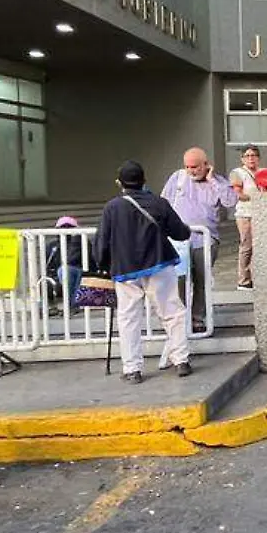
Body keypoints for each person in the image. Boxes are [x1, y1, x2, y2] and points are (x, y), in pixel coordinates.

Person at [95, 160, 195, 384]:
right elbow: (180, 233)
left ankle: (132, 369)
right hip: (159, 262)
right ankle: (181, 360)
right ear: (144, 181)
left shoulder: (112, 207)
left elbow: (102, 241)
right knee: (171, 311)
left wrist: (102, 264)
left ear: (119, 183)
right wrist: (186, 230)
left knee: (129, 318)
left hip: (126, 269)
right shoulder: (159, 203)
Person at [161, 147, 238, 333]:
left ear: (206, 164)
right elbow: (164, 202)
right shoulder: (178, 177)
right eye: (187, 166)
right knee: (179, 279)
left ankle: (197, 318)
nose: (191, 171)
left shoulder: (218, 181)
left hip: (205, 239)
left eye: (195, 166)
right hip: (179, 241)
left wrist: (212, 180)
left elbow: (230, 201)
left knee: (201, 280)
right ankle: (180, 318)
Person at [228, 145, 262, 290]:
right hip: (245, 214)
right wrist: (256, 197)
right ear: (242, 158)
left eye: (253, 155)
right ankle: (243, 280)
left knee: (259, 247)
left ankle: (257, 277)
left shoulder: (262, 172)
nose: (251, 158)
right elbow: (238, 194)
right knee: (247, 246)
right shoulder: (238, 173)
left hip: (261, 213)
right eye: (247, 156)